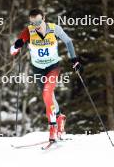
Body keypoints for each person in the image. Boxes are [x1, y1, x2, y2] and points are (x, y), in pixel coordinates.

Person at [10, 8, 82, 142]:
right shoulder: (29, 31)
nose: (36, 25)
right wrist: (17, 45)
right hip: (38, 69)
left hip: (53, 67)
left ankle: (53, 127)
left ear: (44, 18)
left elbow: (68, 41)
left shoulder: (54, 29)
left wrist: (74, 59)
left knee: (47, 93)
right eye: (33, 22)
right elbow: (12, 51)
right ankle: (59, 117)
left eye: (38, 21)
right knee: (49, 97)